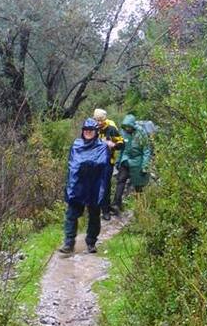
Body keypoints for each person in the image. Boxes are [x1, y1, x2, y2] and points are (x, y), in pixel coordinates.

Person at [59, 117, 116, 255]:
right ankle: (69, 243)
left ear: (96, 132)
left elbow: (104, 166)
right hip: (78, 185)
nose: (88, 132)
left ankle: (91, 242)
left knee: (94, 216)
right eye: (85, 130)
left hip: (94, 186)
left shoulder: (102, 147)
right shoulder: (76, 145)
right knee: (71, 214)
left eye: (91, 130)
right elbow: (72, 166)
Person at [111, 113, 152, 215]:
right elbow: (122, 149)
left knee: (138, 184)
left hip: (138, 161)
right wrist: (118, 162)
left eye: (129, 127)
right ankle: (116, 204)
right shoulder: (123, 132)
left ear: (133, 125)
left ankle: (140, 208)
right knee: (121, 180)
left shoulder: (141, 133)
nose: (127, 129)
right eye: (125, 127)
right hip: (126, 160)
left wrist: (145, 166)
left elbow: (146, 150)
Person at [92, 108, 124, 220]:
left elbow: (121, 143)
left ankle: (105, 210)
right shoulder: (92, 128)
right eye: (97, 120)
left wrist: (113, 145)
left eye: (101, 120)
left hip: (108, 162)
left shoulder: (111, 128)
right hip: (95, 162)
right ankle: (98, 208)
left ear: (105, 119)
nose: (99, 123)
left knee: (105, 186)